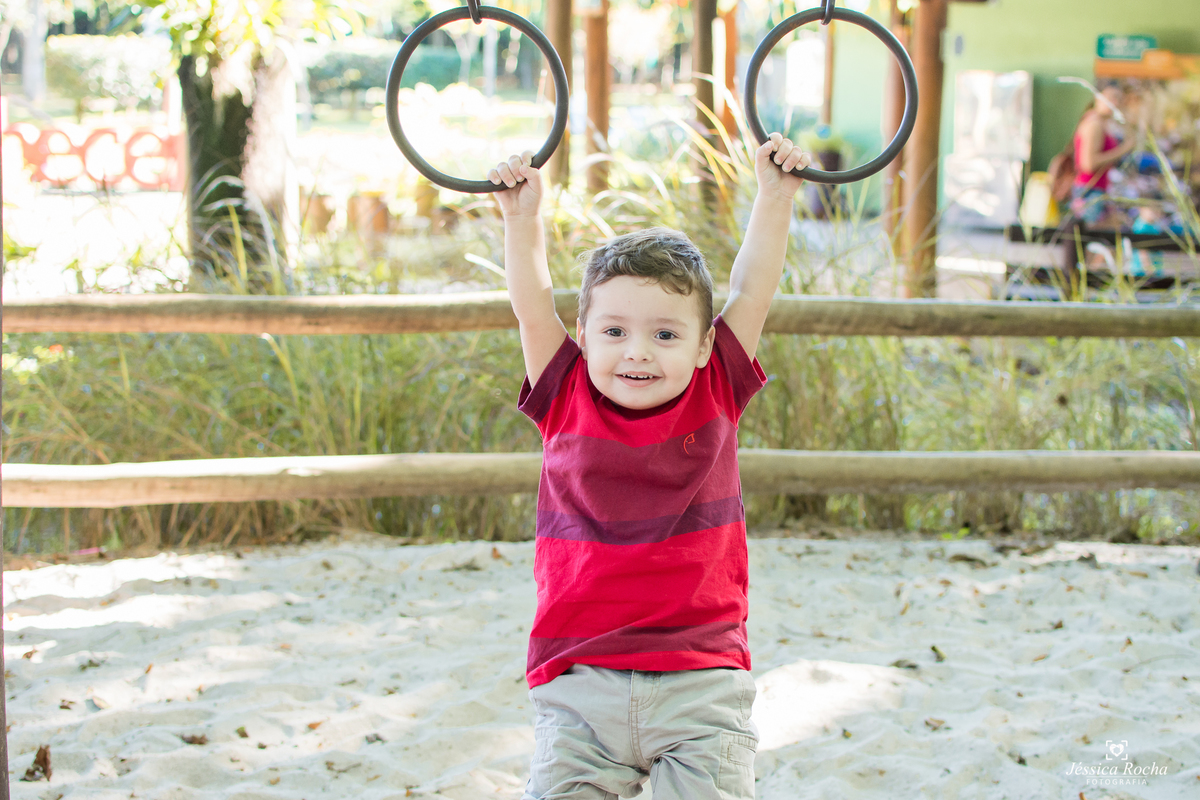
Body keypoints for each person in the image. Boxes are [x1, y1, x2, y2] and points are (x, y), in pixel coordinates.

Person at [488, 132, 810, 800]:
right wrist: (523, 220)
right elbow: (531, 304)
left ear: (702, 346)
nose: (637, 352)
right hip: (580, 682)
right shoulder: (565, 392)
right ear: (583, 337)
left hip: (700, 683)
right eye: (614, 332)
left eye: (665, 334)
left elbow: (752, 288)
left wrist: (775, 198)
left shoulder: (716, 386)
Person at [1069, 83, 1136, 229]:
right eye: (1111, 98)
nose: (1115, 103)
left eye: (1119, 99)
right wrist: (1123, 149)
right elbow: (1088, 164)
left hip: (1099, 188)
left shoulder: (1103, 123)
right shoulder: (1094, 124)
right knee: (1092, 240)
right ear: (1098, 97)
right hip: (1089, 189)